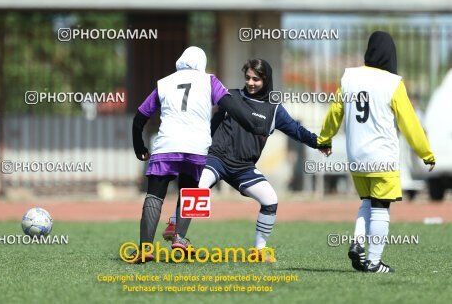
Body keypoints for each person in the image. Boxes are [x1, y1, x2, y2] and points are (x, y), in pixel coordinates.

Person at [162, 58, 322, 262]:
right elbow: (209, 123)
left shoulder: (274, 109)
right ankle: (176, 228)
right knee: (198, 186)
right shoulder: (231, 96)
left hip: (243, 168)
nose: (251, 82)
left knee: (270, 199)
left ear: (266, 79)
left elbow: (297, 131)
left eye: (256, 79)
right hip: (216, 158)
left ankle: (259, 250)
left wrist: (319, 143)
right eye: (247, 77)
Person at [130, 46, 267, 264]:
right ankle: (180, 239)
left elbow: (139, 118)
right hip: (196, 148)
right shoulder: (210, 81)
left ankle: (145, 248)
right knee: (190, 193)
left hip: (166, 146)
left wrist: (140, 148)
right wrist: (254, 124)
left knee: (155, 195)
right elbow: (232, 107)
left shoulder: (163, 83)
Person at [317, 31, 435, 273]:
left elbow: (334, 112)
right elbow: (409, 123)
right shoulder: (393, 83)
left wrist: (324, 139)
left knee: (367, 202)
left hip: (356, 157)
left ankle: (358, 242)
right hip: (382, 157)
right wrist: (425, 153)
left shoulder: (349, 77)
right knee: (381, 207)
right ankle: (373, 261)